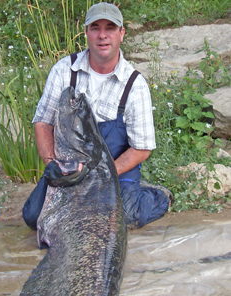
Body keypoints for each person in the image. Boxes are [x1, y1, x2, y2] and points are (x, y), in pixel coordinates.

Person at [23, 2, 173, 230]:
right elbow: (43, 121)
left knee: (126, 217)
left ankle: (154, 194)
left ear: (121, 34)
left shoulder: (135, 85)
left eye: (110, 28)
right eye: (95, 28)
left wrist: (101, 174)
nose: (103, 36)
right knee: (35, 217)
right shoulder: (64, 70)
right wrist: (52, 165)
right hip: (69, 170)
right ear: (86, 33)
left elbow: (142, 149)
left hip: (115, 169)